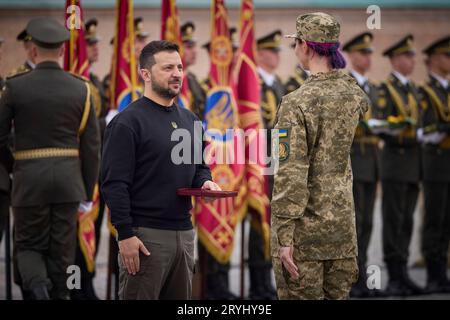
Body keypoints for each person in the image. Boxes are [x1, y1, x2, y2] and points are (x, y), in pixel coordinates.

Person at [101, 40, 220, 300]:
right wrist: (125, 235)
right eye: (167, 68)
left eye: (179, 66)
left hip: (185, 234)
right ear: (145, 74)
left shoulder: (191, 120)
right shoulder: (127, 122)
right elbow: (114, 184)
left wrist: (206, 183)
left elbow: (199, 167)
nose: (177, 73)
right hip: (145, 237)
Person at [0, 17, 100, 300]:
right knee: (63, 249)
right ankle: (60, 295)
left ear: (33, 50)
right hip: (70, 184)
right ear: (61, 51)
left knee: (29, 246)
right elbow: (92, 147)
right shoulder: (81, 89)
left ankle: (40, 288)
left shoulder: (14, 87)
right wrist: (87, 190)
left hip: (29, 180)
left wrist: (14, 166)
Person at [271, 12, 368, 300]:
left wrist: (284, 238)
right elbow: (357, 93)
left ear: (305, 46)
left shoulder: (295, 103)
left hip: (305, 238)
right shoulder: (352, 93)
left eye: (296, 43)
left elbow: (290, 173)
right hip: (342, 232)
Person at [376, 35, 423, 296]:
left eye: (412, 56)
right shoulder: (385, 89)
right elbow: (380, 124)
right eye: (407, 56)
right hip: (395, 162)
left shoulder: (413, 90)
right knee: (393, 220)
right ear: (394, 59)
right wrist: (400, 129)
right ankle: (394, 274)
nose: (412, 60)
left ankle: (403, 271)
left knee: (407, 220)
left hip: (414, 165)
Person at [70, 17, 108, 301]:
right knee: (72, 233)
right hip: (75, 168)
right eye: (89, 43)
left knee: (92, 230)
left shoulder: (96, 82)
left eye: (95, 43)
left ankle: (87, 284)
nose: (94, 48)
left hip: (99, 166)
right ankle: (74, 287)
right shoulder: (74, 79)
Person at [342, 32, 381, 297]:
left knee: (367, 222)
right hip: (353, 160)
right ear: (352, 56)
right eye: (363, 53)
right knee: (353, 222)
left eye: (370, 53)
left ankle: (364, 271)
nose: (368, 58)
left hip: (372, 162)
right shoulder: (347, 85)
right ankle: (351, 278)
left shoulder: (374, 88)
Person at [418, 35, 450, 294]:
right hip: (435, 162)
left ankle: (442, 273)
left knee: (446, 221)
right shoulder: (426, 92)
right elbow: (423, 131)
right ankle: (432, 273)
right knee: (434, 219)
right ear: (434, 60)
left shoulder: (446, 90)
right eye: (446, 56)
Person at [180, 22, 206, 119]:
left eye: (194, 46)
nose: (194, 51)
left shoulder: (192, 79)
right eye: (189, 47)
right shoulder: (168, 81)